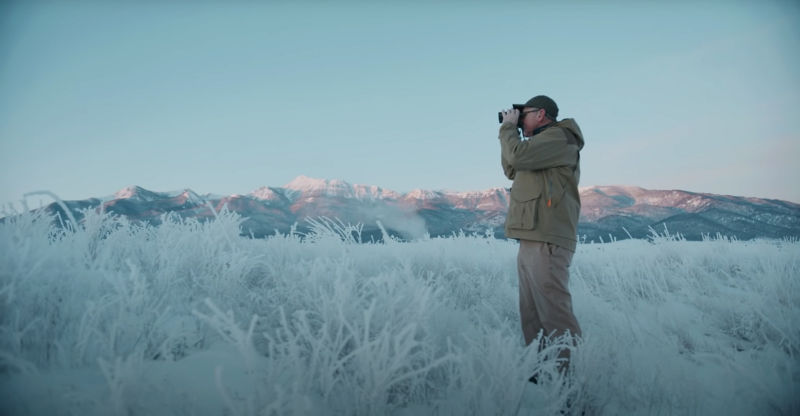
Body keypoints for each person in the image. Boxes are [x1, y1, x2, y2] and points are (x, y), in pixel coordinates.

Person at [498, 95, 585, 383]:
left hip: (547, 237)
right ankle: (541, 380)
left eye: (524, 114)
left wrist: (508, 130)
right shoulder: (537, 146)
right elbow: (511, 166)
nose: (520, 119)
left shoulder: (559, 138)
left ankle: (570, 386)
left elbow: (518, 157)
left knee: (554, 314)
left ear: (542, 114)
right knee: (532, 314)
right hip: (531, 235)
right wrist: (511, 131)